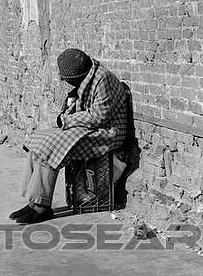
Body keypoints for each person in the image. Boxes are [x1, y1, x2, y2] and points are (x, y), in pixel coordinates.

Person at [9, 48, 128, 224]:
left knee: (52, 147)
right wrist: (70, 106)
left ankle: (42, 207)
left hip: (109, 133)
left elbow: (99, 116)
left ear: (77, 76)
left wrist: (68, 119)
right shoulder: (88, 78)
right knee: (40, 140)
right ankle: (34, 201)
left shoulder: (103, 79)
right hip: (90, 128)